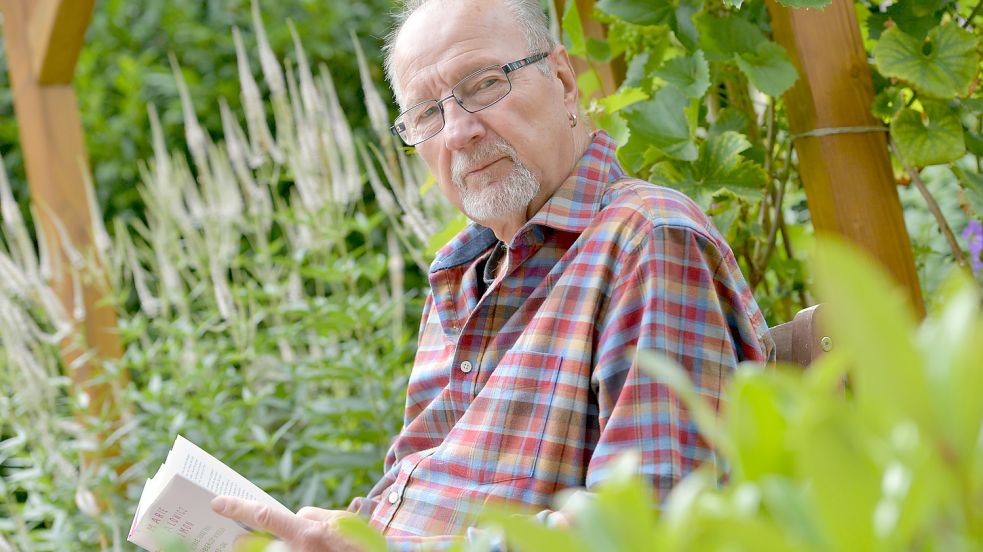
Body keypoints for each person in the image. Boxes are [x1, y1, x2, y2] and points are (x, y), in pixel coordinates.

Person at [211, 0, 773, 549]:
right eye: (428, 114)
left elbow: (650, 525)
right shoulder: (464, 271)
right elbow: (422, 483)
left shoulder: (645, 240)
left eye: (483, 84)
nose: (458, 132)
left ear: (563, 79)